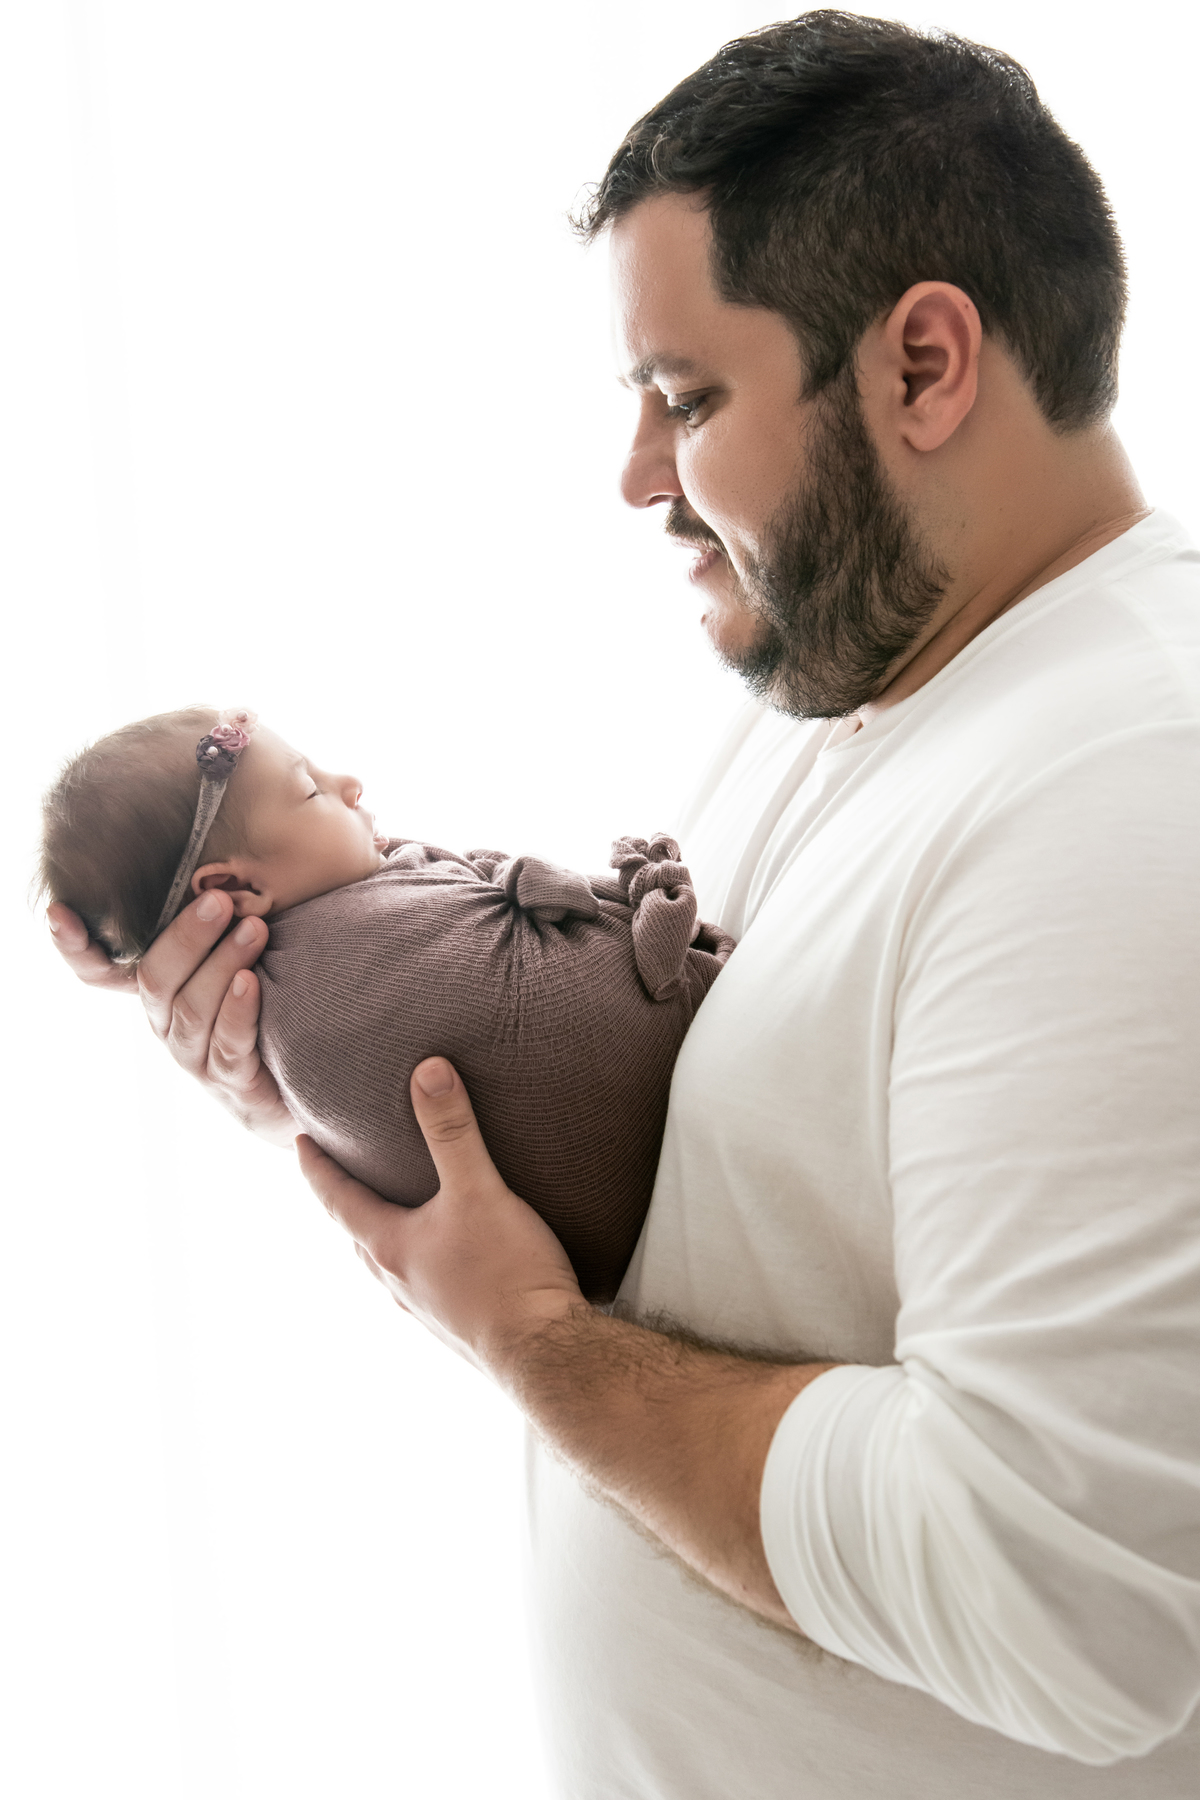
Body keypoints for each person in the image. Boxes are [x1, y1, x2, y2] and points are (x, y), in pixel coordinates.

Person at [49, 12, 1200, 1797]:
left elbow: (1068, 1604)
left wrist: (531, 1344)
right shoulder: (881, 688)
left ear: (923, 364)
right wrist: (326, 1041)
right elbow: (686, 1213)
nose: (639, 481)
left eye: (689, 400)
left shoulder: (1133, 786)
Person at [39, 706, 731, 1300]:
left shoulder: (284, 1021)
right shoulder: (358, 949)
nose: (347, 784)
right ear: (236, 890)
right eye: (310, 789)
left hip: (593, 1259)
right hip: (649, 1087)